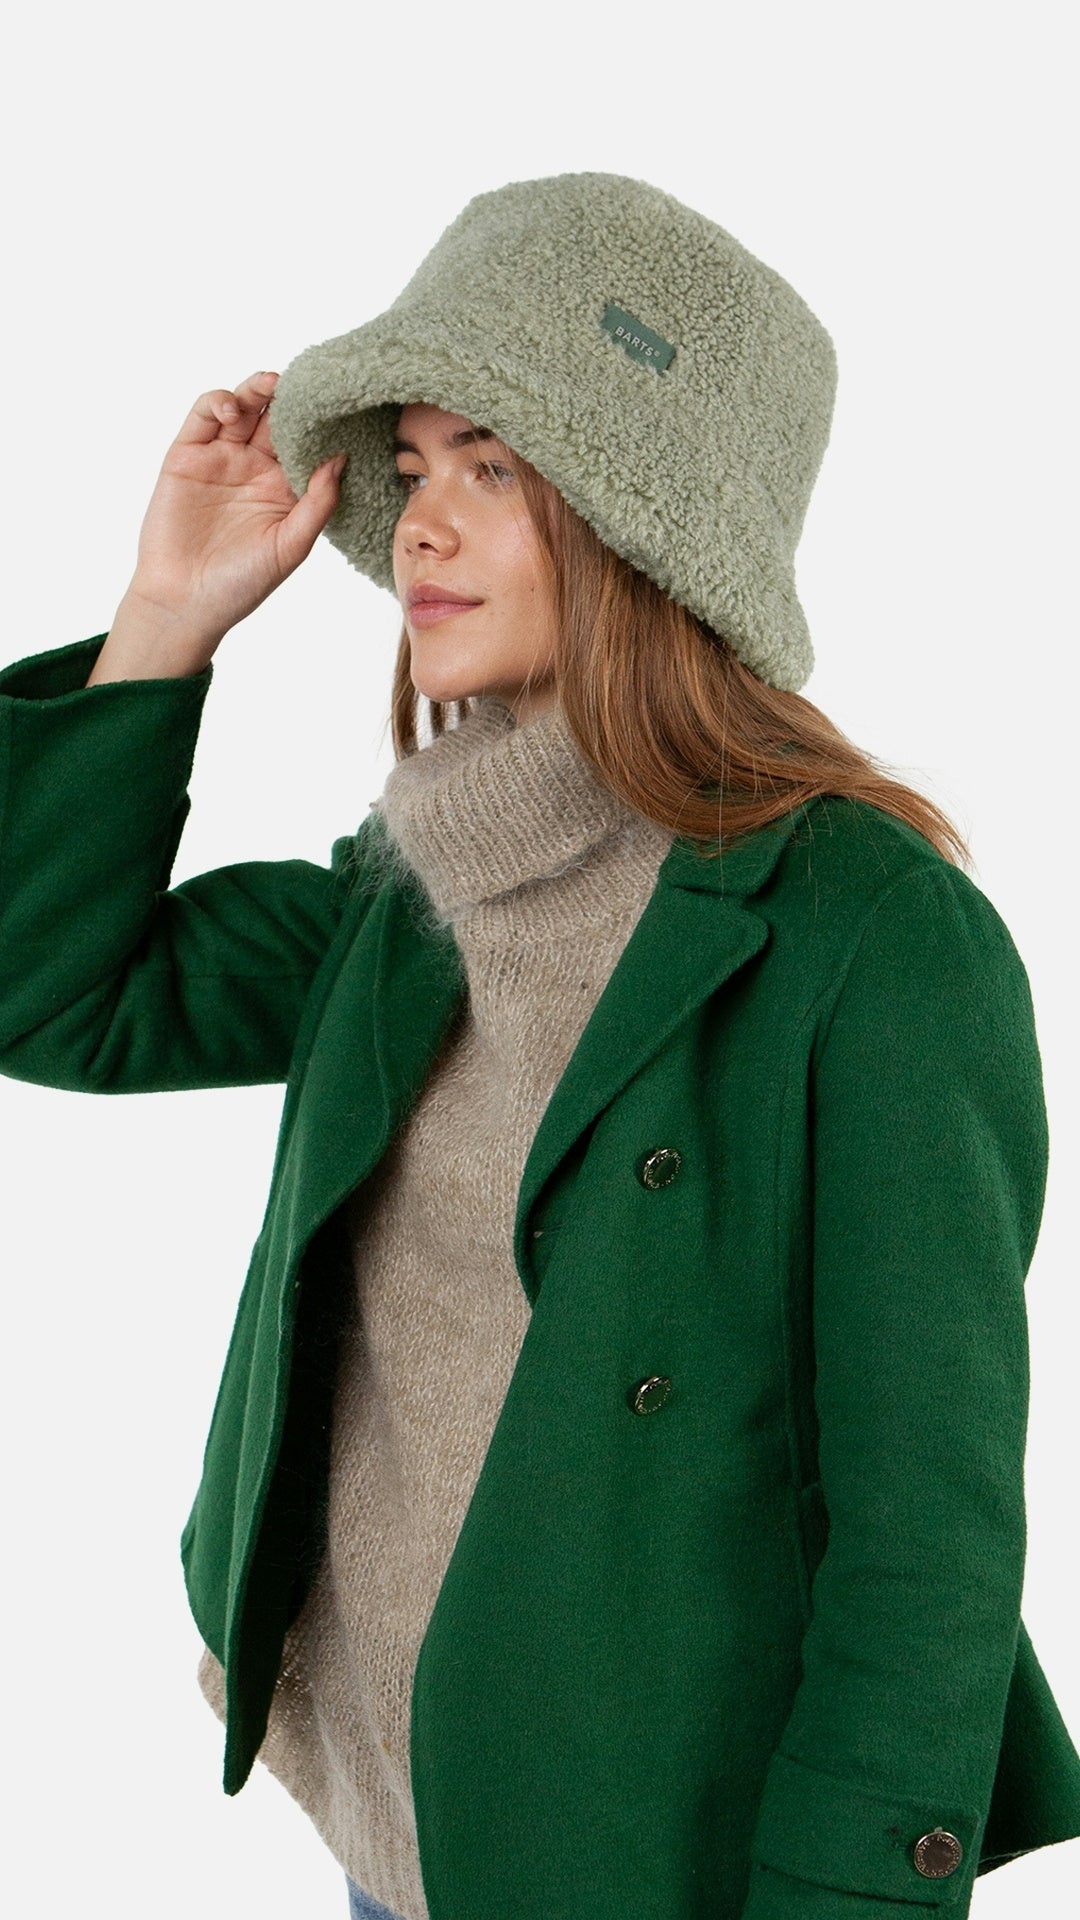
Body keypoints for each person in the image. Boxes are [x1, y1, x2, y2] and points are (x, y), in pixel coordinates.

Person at [0, 172, 1078, 1920]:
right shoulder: (410, 889)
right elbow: (53, 995)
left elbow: (926, 1545)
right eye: (414, 466)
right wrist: (164, 620)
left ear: (652, 519)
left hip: (647, 1855)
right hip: (396, 1815)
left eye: (494, 469)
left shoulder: (876, 941)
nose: (421, 526)